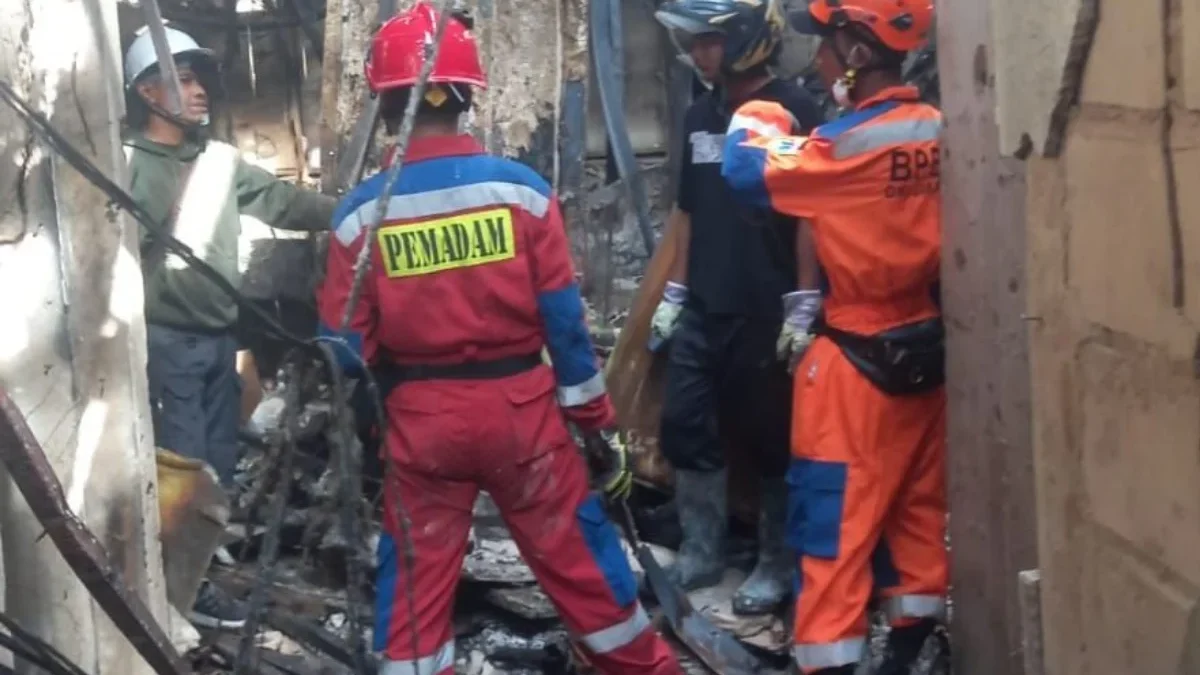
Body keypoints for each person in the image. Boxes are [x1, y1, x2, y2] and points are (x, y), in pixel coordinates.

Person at [315, 5, 682, 673]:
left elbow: (343, 349)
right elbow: (566, 332)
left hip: (420, 428)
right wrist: (598, 427)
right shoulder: (524, 195)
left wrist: (374, 428)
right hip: (522, 420)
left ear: (387, 103)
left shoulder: (360, 215)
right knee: (583, 567)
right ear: (466, 95)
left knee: (415, 597)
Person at [719, 0, 946, 672]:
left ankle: (830, 657)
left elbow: (745, 171)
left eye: (825, 42)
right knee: (918, 511)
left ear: (856, 54)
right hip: (926, 349)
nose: (816, 57)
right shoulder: (937, 127)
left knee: (830, 528)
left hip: (853, 359)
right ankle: (906, 652)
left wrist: (761, 112)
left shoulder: (846, 148)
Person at [123, 24, 337, 629]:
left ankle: (198, 581)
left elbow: (285, 205)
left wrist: (357, 209)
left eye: (198, 80)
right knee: (180, 474)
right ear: (146, 92)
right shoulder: (127, 165)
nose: (198, 93)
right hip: (166, 343)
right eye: (182, 79)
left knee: (213, 469)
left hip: (217, 340)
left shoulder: (217, 161)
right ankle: (172, 601)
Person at [649, 0, 826, 615]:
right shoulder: (700, 114)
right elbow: (690, 212)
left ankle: (775, 564)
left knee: (772, 437)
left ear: (748, 40)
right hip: (705, 301)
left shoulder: (799, 111)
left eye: (709, 43)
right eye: (693, 44)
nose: (699, 55)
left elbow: (810, 214)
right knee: (685, 424)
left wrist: (804, 302)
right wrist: (674, 292)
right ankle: (704, 550)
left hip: (767, 307)